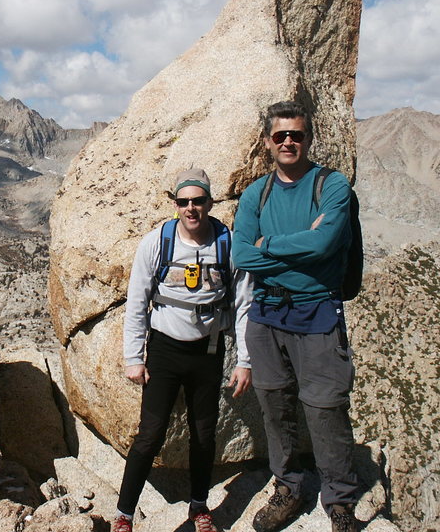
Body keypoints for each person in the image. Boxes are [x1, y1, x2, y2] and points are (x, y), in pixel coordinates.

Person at [232, 101, 359, 532]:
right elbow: (242, 255)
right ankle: (288, 487)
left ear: (309, 138)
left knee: (325, 409)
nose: (289, 141)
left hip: (318, 313)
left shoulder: (333, 185)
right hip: (266, 317)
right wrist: (296, 245)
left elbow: (325, 246)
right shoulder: (256, 193)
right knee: (276, 408)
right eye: (280, 135)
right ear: (268, 141)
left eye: (297, 134)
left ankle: (339, 501)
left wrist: (269, 246)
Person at [112, 168, 253, 532]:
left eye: (199, 201)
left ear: (210, 202)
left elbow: (243, 304)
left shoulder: (228, 243)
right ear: (176, 205)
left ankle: (200, 507)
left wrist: (245, 361)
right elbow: (137, 300)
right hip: (164, 350)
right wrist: (133, 357)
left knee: (204, 433)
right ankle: (124, 514)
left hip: (208, 351)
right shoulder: (157, 242)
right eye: (184, 202)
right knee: (151, 434)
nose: (191, 208)